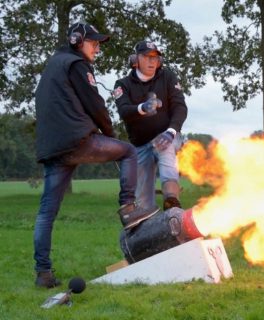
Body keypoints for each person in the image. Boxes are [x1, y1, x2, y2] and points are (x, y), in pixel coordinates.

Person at [33, 23, 158, 288]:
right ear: (78, 40)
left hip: (53, 148)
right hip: (76, 140)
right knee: (127, 151)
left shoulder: (54, 65)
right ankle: (128, 208)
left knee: (46, 212)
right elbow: (95, 104)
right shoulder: (77, 64)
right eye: (94, 42)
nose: (97, 48)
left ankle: (43, 273)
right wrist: (109, 133)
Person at [113, 41, 187, 212]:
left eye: (155, 57)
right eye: (146, 56)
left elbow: (180, 107)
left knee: (165, 148)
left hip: (166, 135)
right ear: (135, 59)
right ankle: (149, 227)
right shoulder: (122, 84)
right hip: (139, 145)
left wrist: (171, 131)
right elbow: (124, 110)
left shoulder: (168, 77)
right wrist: (142, 108)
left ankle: (172, 204)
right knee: (143, 203)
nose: (151, 61)